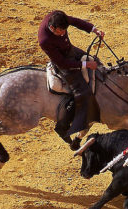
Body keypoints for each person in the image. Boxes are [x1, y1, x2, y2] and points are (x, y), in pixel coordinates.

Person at [38, 10, 105, 144]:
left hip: (70, 50)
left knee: (98, 64)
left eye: (64, 31)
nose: (63, 34)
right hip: (63, 63)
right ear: (52, 27)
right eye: (60, 32)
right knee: (83, 92)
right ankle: (63, 127)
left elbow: (75, 21)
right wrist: (85, 64)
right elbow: (62, 63)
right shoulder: (45, 40)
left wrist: (94, 29)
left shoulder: (58, 16)